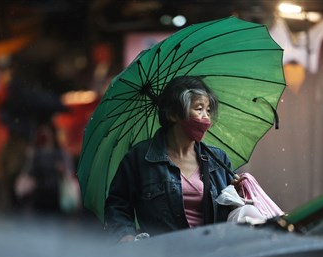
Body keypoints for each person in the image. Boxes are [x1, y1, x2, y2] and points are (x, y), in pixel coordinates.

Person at [104, 76, 242, 243]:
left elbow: (233, 215)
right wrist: (125, 235)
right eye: (199, 109)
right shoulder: (139, 159)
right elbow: (117, 207)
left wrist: (239, 193)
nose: (207, 118)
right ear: (173, 115)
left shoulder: (218, 159)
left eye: (208, 110)